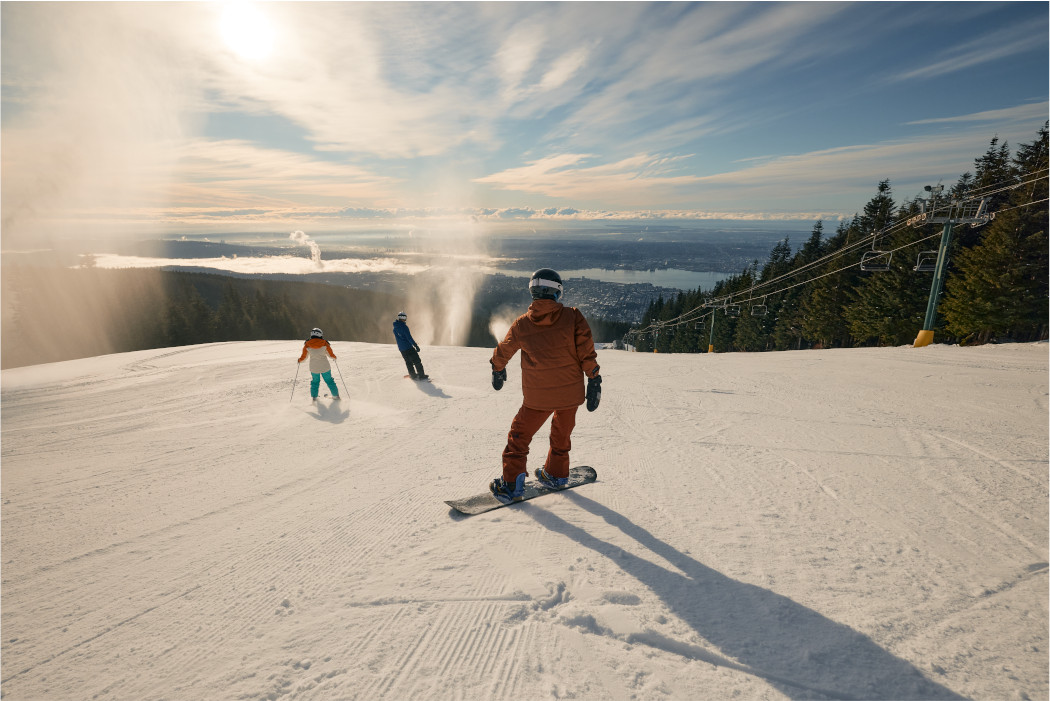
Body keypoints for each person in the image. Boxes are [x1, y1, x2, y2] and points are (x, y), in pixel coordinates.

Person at [489, 269, 602, 503]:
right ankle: (556, 474)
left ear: (532, 292)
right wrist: (594, 379)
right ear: (557, 292)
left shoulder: (522, 324)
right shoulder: (573, 317)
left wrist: (497, 368)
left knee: (518, 438)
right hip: (570, 396)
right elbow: (587, 352)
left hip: (537, 399)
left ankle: (511, 484)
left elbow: (504, 350)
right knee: (561, 436)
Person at [298, 328, 340, 401]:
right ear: (320, 334)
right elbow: (331, 355)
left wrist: (299, 360)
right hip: (325, 367)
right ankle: (336, 396)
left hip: (314, 368)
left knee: (315, 382)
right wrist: (334, 357)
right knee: (329, 381)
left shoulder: (307, 345)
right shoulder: (325, 344)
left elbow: (304, 357)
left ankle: (315, 397)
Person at [392, 311, 428, 380]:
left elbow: (399, 338)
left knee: (408, 362)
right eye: (405, 317)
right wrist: (415, 345)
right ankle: (421, 375)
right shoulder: (404, 327)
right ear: (402, 318)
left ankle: (412, 375)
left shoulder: (395, 328)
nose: (405, 319)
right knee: (417, 360)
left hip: (402, 349)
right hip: (408, 347)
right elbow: (409, 338)